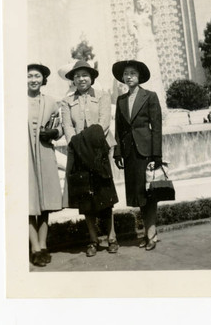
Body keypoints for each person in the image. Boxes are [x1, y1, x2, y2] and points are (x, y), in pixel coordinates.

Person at [61, 60, 119, 257]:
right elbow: (68, 127)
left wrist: (88, 141)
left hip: (98, 150)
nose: (81, 79)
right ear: (73, 80)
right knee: (85, 198)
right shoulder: (67, 102)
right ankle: (93, 240)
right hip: (78, 153)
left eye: (84, 75)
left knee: (105, 195)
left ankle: (111, 238)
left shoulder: (102, 96)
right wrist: (76, 143)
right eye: (77, 76)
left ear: (91, 77)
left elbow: (104, 122)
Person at [112, 59, 162, 251]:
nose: (129, 76)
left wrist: (156, 154)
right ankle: (148, 233)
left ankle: (152, 233)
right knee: (139, 194)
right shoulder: (121, 100)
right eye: (126, 74)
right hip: (130, 152)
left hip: (146, 151)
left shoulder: (150, 96)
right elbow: (118, 127)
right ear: (123, 78)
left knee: (149, 193)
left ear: (139, 76)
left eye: (133, 73)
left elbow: (157, 127)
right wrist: (118, 152)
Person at [28, 63, 63, 267]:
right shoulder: (15, 101)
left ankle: (43, 246)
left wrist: (54, 133)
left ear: (43, 80)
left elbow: (59, 126)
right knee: (29, 202)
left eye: (37, 76)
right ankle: (34, 248)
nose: (33, 79)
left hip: (44, 152)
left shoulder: (50, 102)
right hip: (24, 156)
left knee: (45, 203)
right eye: (30, 76)